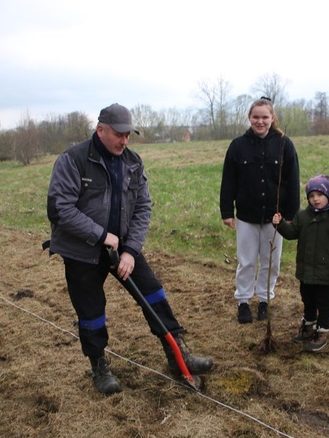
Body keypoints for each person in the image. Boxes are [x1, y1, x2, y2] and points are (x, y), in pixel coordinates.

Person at [46, 103, 213, 395]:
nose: (124, 141)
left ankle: (178, 356)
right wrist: (101, 236)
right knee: (91, 311)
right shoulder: (73, 160)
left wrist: (130, 251)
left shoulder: (133, 162)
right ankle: (99, 366)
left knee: (154, 295)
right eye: (119, 134)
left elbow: (143, 207)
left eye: (128, 135)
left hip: (122, 247)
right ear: (101, 130)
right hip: (81, 252)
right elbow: (60, 210)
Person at [220, 97, 300, 324]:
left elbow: (292, 182)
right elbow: (229, 180)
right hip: (246, 216)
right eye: (256, 117)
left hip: (275, 218)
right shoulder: (238, 146)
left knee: (271, 262)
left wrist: (290, 216)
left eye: (265, 117)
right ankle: (243, 301)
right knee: (246, 261)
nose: (260, 121)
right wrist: (227, 211)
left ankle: (265, 299)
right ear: (249, 118)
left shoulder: (285, 144)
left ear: (272, 118)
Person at [272, 174, 329, 352]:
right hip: (306, 271)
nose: (315, 199)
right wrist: (280, 224)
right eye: (311, 196)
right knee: (307, 299)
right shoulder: (303, 216)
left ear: (328, 195)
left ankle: (322, 331)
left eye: (319, 195)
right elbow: (292, 233)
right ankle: (308, 325)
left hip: (325, 273)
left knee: (323, 303)